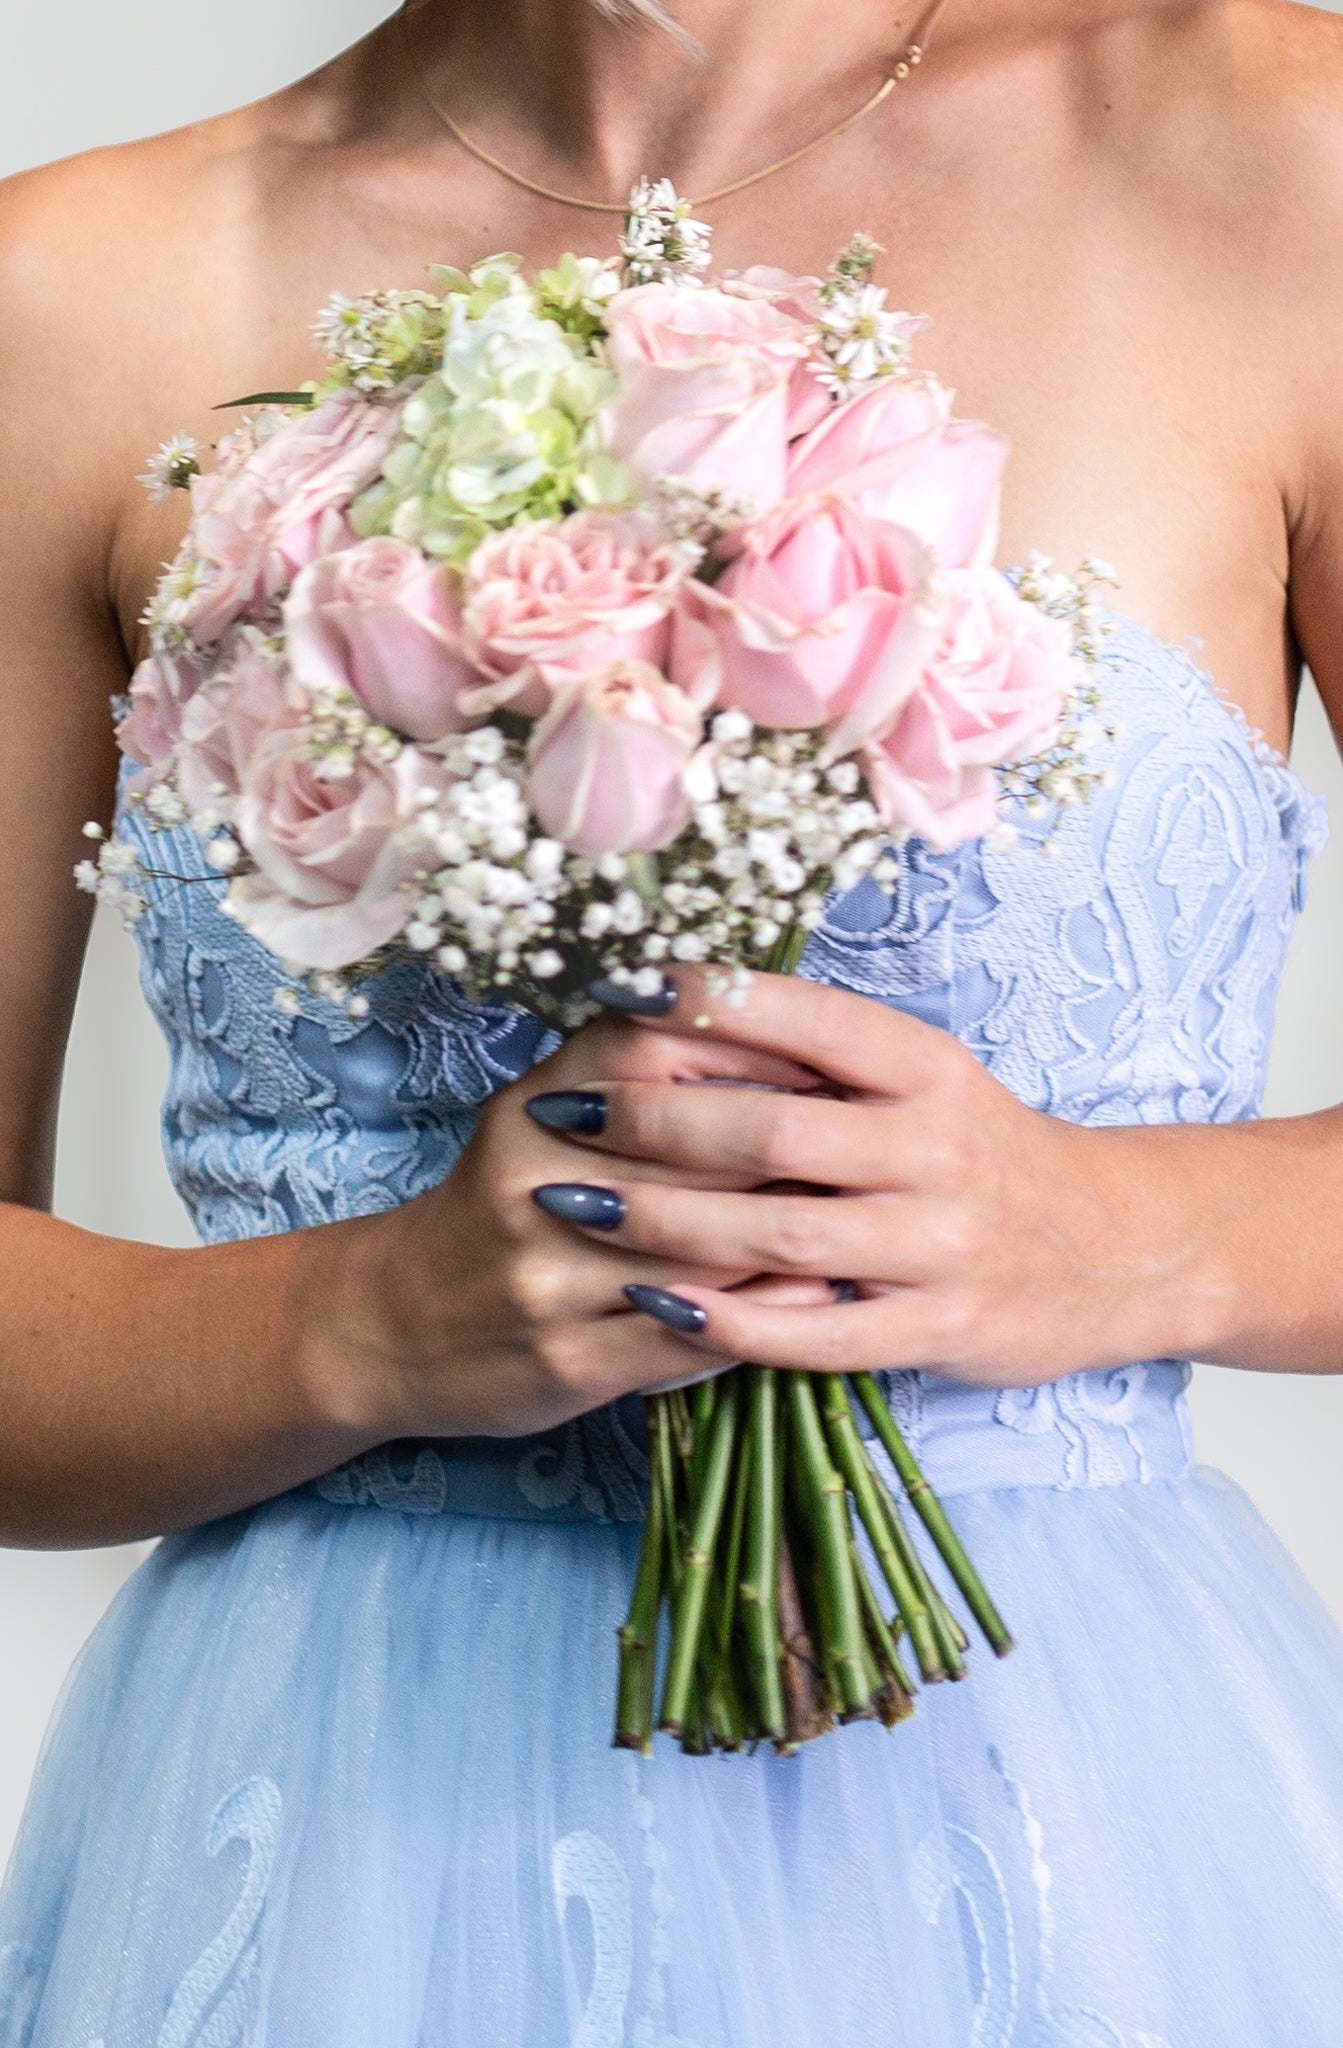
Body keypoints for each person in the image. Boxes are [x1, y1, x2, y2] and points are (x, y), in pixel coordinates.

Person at [3, 0, 1343, 2037]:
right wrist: (349, 1320)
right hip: (346, 1850)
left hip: (1080, 1820)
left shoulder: (1281, 159)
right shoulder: (72, 293)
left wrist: (1105, 1227)